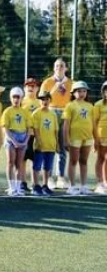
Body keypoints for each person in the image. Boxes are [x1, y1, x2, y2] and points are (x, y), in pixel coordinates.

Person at [40, 58, 73, 190]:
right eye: (57, 66)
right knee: (50, 145)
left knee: (62, 146)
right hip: (51, 112)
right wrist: (55, 88)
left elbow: (74, 99)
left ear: (66, 68)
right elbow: (42, 99)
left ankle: (61, 177)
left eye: (62, 66)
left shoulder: (70, 83)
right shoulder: (47, 82)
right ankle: (49, 178)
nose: (59, 68)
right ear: (54, 68)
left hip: (65, 114)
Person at [63, 81, 94, 195]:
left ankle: (84, 185)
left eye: (84, 91)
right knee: (73, 161)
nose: (82, 93)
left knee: (84, 161)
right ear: (73, 93)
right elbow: (66, 125)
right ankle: (72, 186)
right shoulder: (70, 105)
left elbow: (93, 124)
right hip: (74, 138)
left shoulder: (90, 106)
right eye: (79, 91)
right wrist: (66, 140)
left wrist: (95, 138)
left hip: (88, 138)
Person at [0, 87, 31, 197]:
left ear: (21, 98)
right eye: (14, 97)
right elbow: (5, 128)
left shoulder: (25, 112)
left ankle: (18, 187)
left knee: (20, 163)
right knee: (10, 162)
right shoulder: (7, 111)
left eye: (18, 97)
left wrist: (26, 141)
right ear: (11, 98)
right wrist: (13, 141)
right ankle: (11, 187)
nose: (16, 99)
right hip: (11, 137)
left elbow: (29, 128)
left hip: (22, 137)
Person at [31, 90, 57, 196]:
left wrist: (57, 143)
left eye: (46, 99)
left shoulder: (53, 114)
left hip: (51, 144)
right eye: (42, 99)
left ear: (50, 100)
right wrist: (39, 141)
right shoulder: (36, 113)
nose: (44, 101)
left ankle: (45, 185)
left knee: (48, 167)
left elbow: (56, 130)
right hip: (40, 145)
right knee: (37, 166)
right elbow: (36, 129)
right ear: (39, 101)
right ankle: (36, 185)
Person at [94, 81, 107, 194]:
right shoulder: (98, 104)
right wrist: (95, 138)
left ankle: (105, 182)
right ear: (103, 92)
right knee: (101, 158)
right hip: (101, 135)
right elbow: (94, 122)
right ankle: (100, 183)